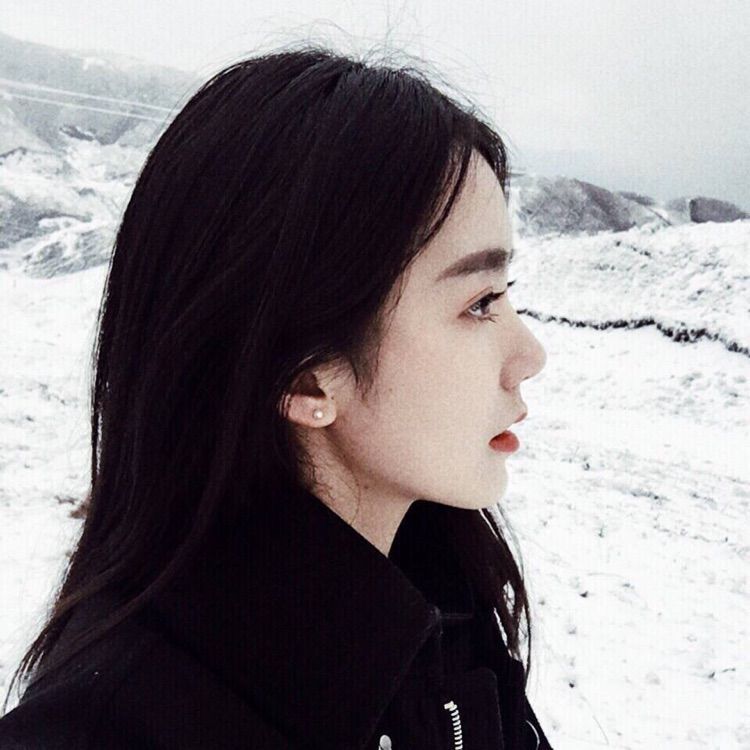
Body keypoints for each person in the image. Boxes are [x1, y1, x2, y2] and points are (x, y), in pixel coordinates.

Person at [0, 44, 552, 749]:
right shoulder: (112, 729)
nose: (530, 356)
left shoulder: (448, 605)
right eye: (480, 302)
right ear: (307, 377)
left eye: (507, 293)